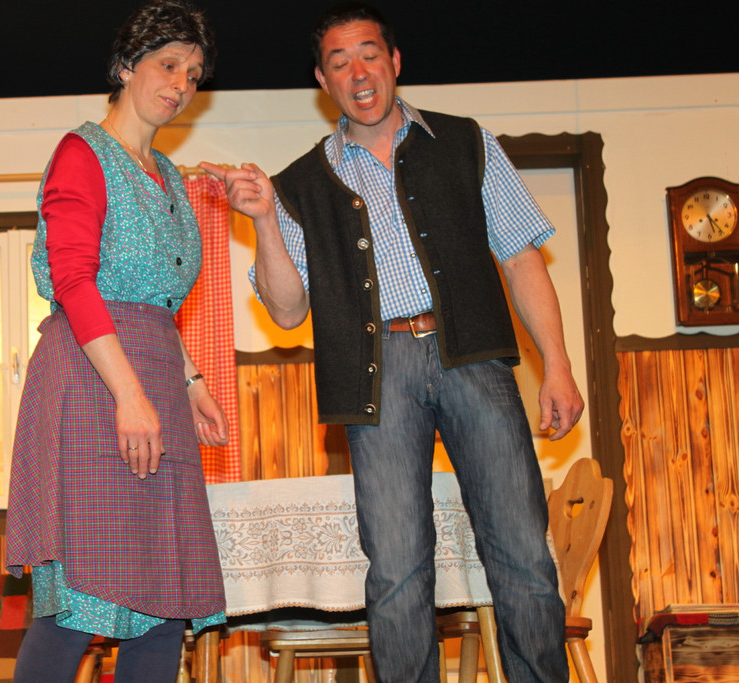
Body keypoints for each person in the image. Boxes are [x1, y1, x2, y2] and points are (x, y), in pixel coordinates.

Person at [201, 2, 584, 681]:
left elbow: (522, 256)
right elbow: (286, 312)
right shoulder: (297, 185)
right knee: (397, 568)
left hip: (475, 356)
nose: (358, 73)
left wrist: (557, 364)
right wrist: (262, 218)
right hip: (377, 375)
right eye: (340, 62)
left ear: (395, 61)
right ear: (323, 81)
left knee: (523, 554)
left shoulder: (467, 141)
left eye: (369, 54)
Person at [5, 2, 228, 681]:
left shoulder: (170, 177)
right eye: (169, 64)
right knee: (80, 598)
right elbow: (75, 282)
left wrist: (191, 380)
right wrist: (129, 394)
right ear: (127, 65)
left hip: (157, 382)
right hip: (93, 384)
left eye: (193, 74)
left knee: (164, 603)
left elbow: (157, 303)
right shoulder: (83, 153)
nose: (181, 84)